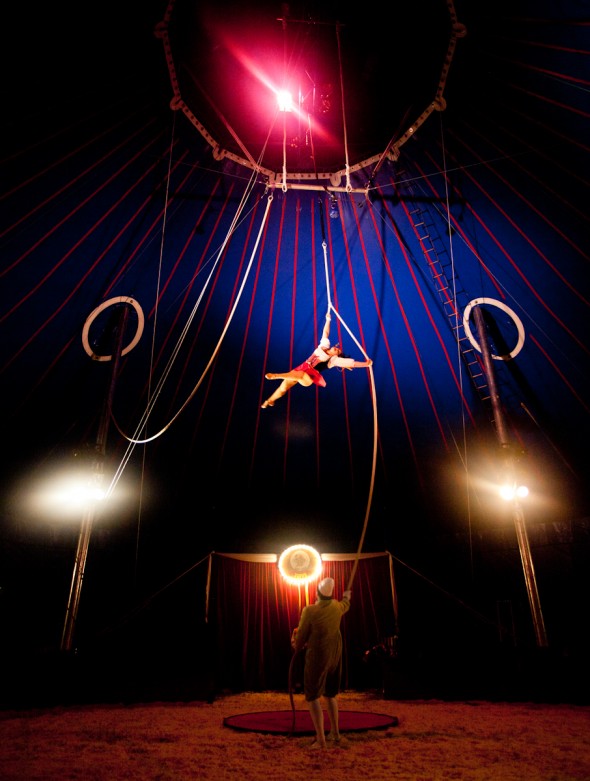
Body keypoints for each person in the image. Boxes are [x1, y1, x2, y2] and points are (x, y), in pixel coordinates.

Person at [261, 312, 372, 408]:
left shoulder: (333, 360)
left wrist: (366, 364)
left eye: (337, 351)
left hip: (308, 377)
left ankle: (276, 375)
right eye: (337, 348)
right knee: (283, 388)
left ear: (336, 355)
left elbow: (352, 363)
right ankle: (269, 400)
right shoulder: (324, 345)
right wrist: (328, 320)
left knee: (300, 375)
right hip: (300, 368)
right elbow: (326, 332)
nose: (336, 348)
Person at [291, 577, 352, 749]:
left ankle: (320, 740)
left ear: (317, 592)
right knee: (330, 694)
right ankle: (335, 733)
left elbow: (301, 637)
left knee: (312, 696)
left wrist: (295, 644)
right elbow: (345, 605)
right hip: (335, 655)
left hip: (318, 657)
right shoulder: (336, 606)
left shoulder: (309, 610)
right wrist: (347, 597)